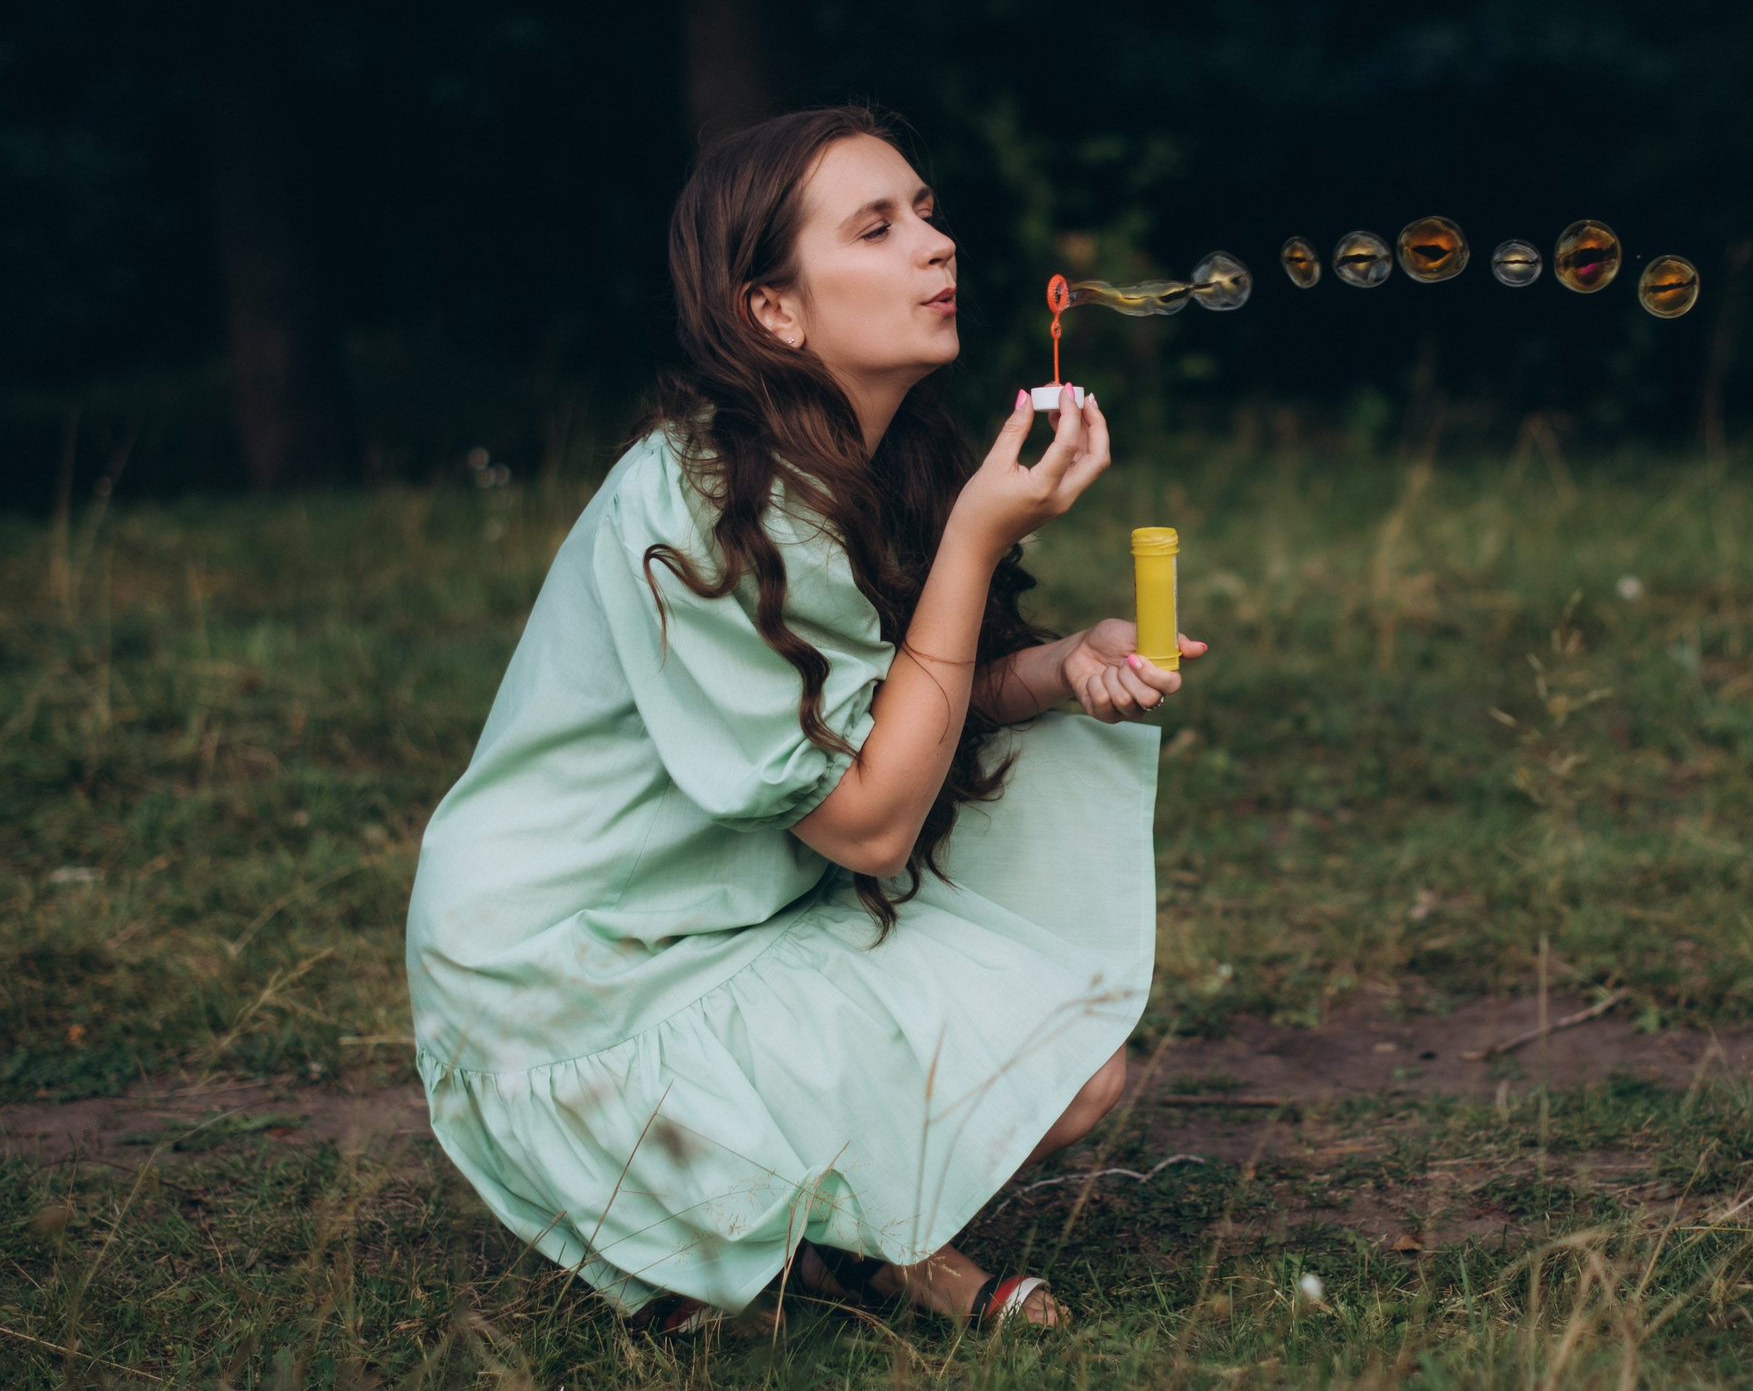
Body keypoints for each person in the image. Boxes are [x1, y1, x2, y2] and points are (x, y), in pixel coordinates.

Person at [406, 107, 1204, 1332]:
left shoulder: (874, 462)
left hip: (709, 926)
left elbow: (894, 711)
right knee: (1048, 1056)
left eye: (927, 214)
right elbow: (874, 821)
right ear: (772, 311)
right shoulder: (703, 506)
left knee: (1068, 1061)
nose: (935, 246)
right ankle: (825, 1237)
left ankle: (818, 1244)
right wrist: (979, 541)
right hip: (570, 986)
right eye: (877, 228)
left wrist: (1053, 668)